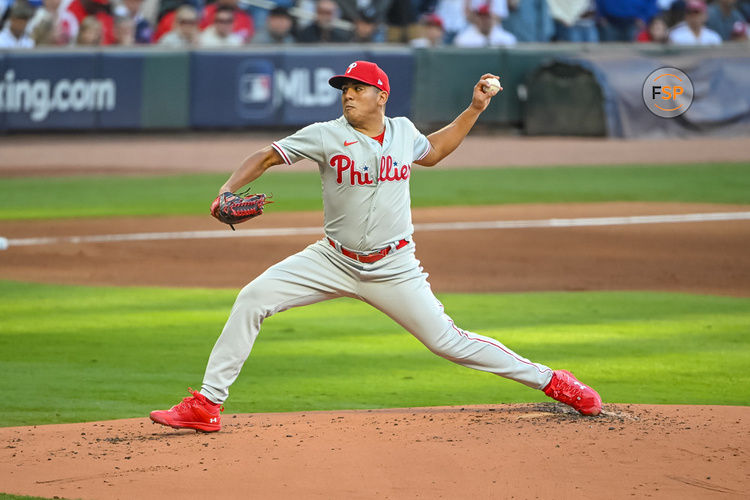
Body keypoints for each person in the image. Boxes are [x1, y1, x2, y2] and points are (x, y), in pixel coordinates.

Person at [149, 60, 603, 433]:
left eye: (358, 88)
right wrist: (226, 190)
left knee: (449, 342)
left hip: (394, 267)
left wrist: (475, 108)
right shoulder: (325, 134)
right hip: (330, 259)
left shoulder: (403, 131)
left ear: (381, 95)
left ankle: (554, 381)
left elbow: (437, 151)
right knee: (252, 299)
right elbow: (266, 155)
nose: (347, 94)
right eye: (344, 88)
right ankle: (207, 405)